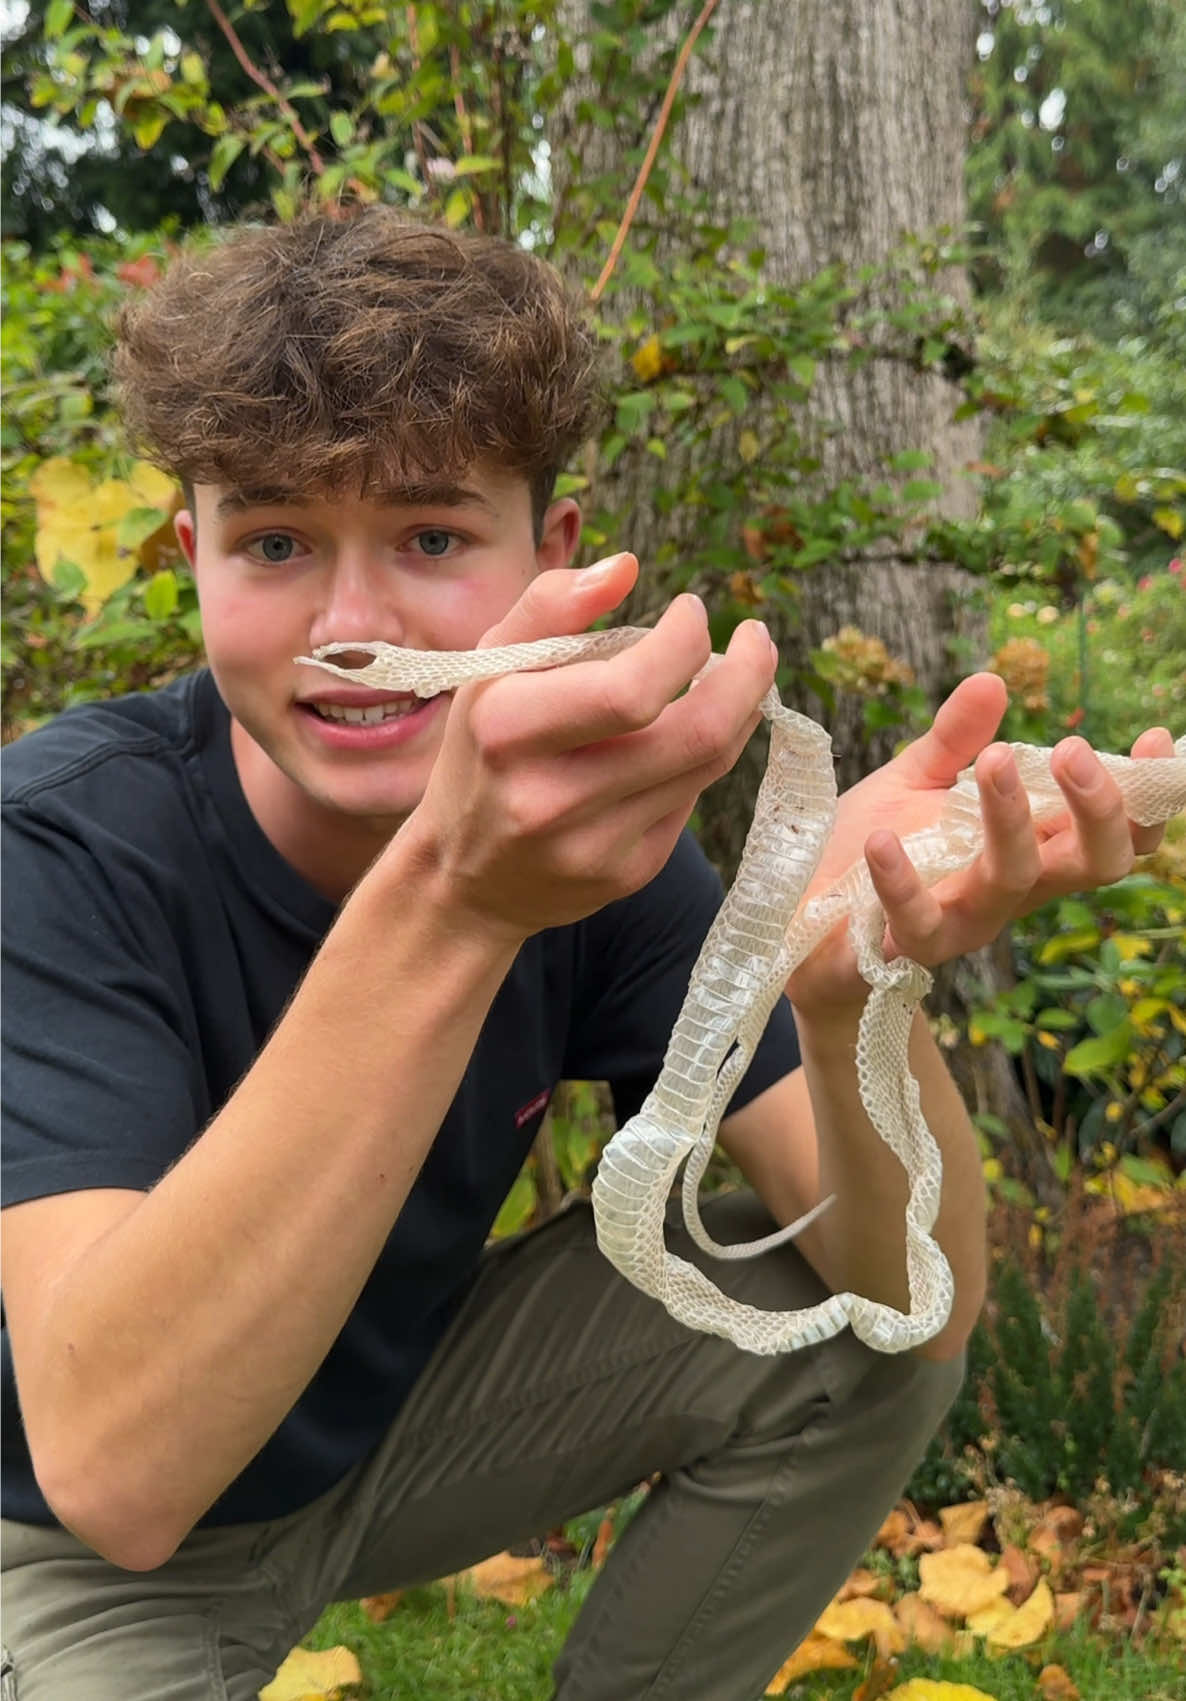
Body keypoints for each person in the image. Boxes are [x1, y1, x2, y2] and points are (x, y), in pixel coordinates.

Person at [0, 207, 1171, 1701]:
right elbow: (116, 1475)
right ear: (194, 555)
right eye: (276, 541)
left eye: (431, 537)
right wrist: (456, 899)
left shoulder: (594, 848)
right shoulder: (59, 848)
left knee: (839, 1334)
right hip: (74, 1547)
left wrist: (846, 996)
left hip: (378, 1454)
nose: (351, 626)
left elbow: (907, 1299)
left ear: (548, 556)